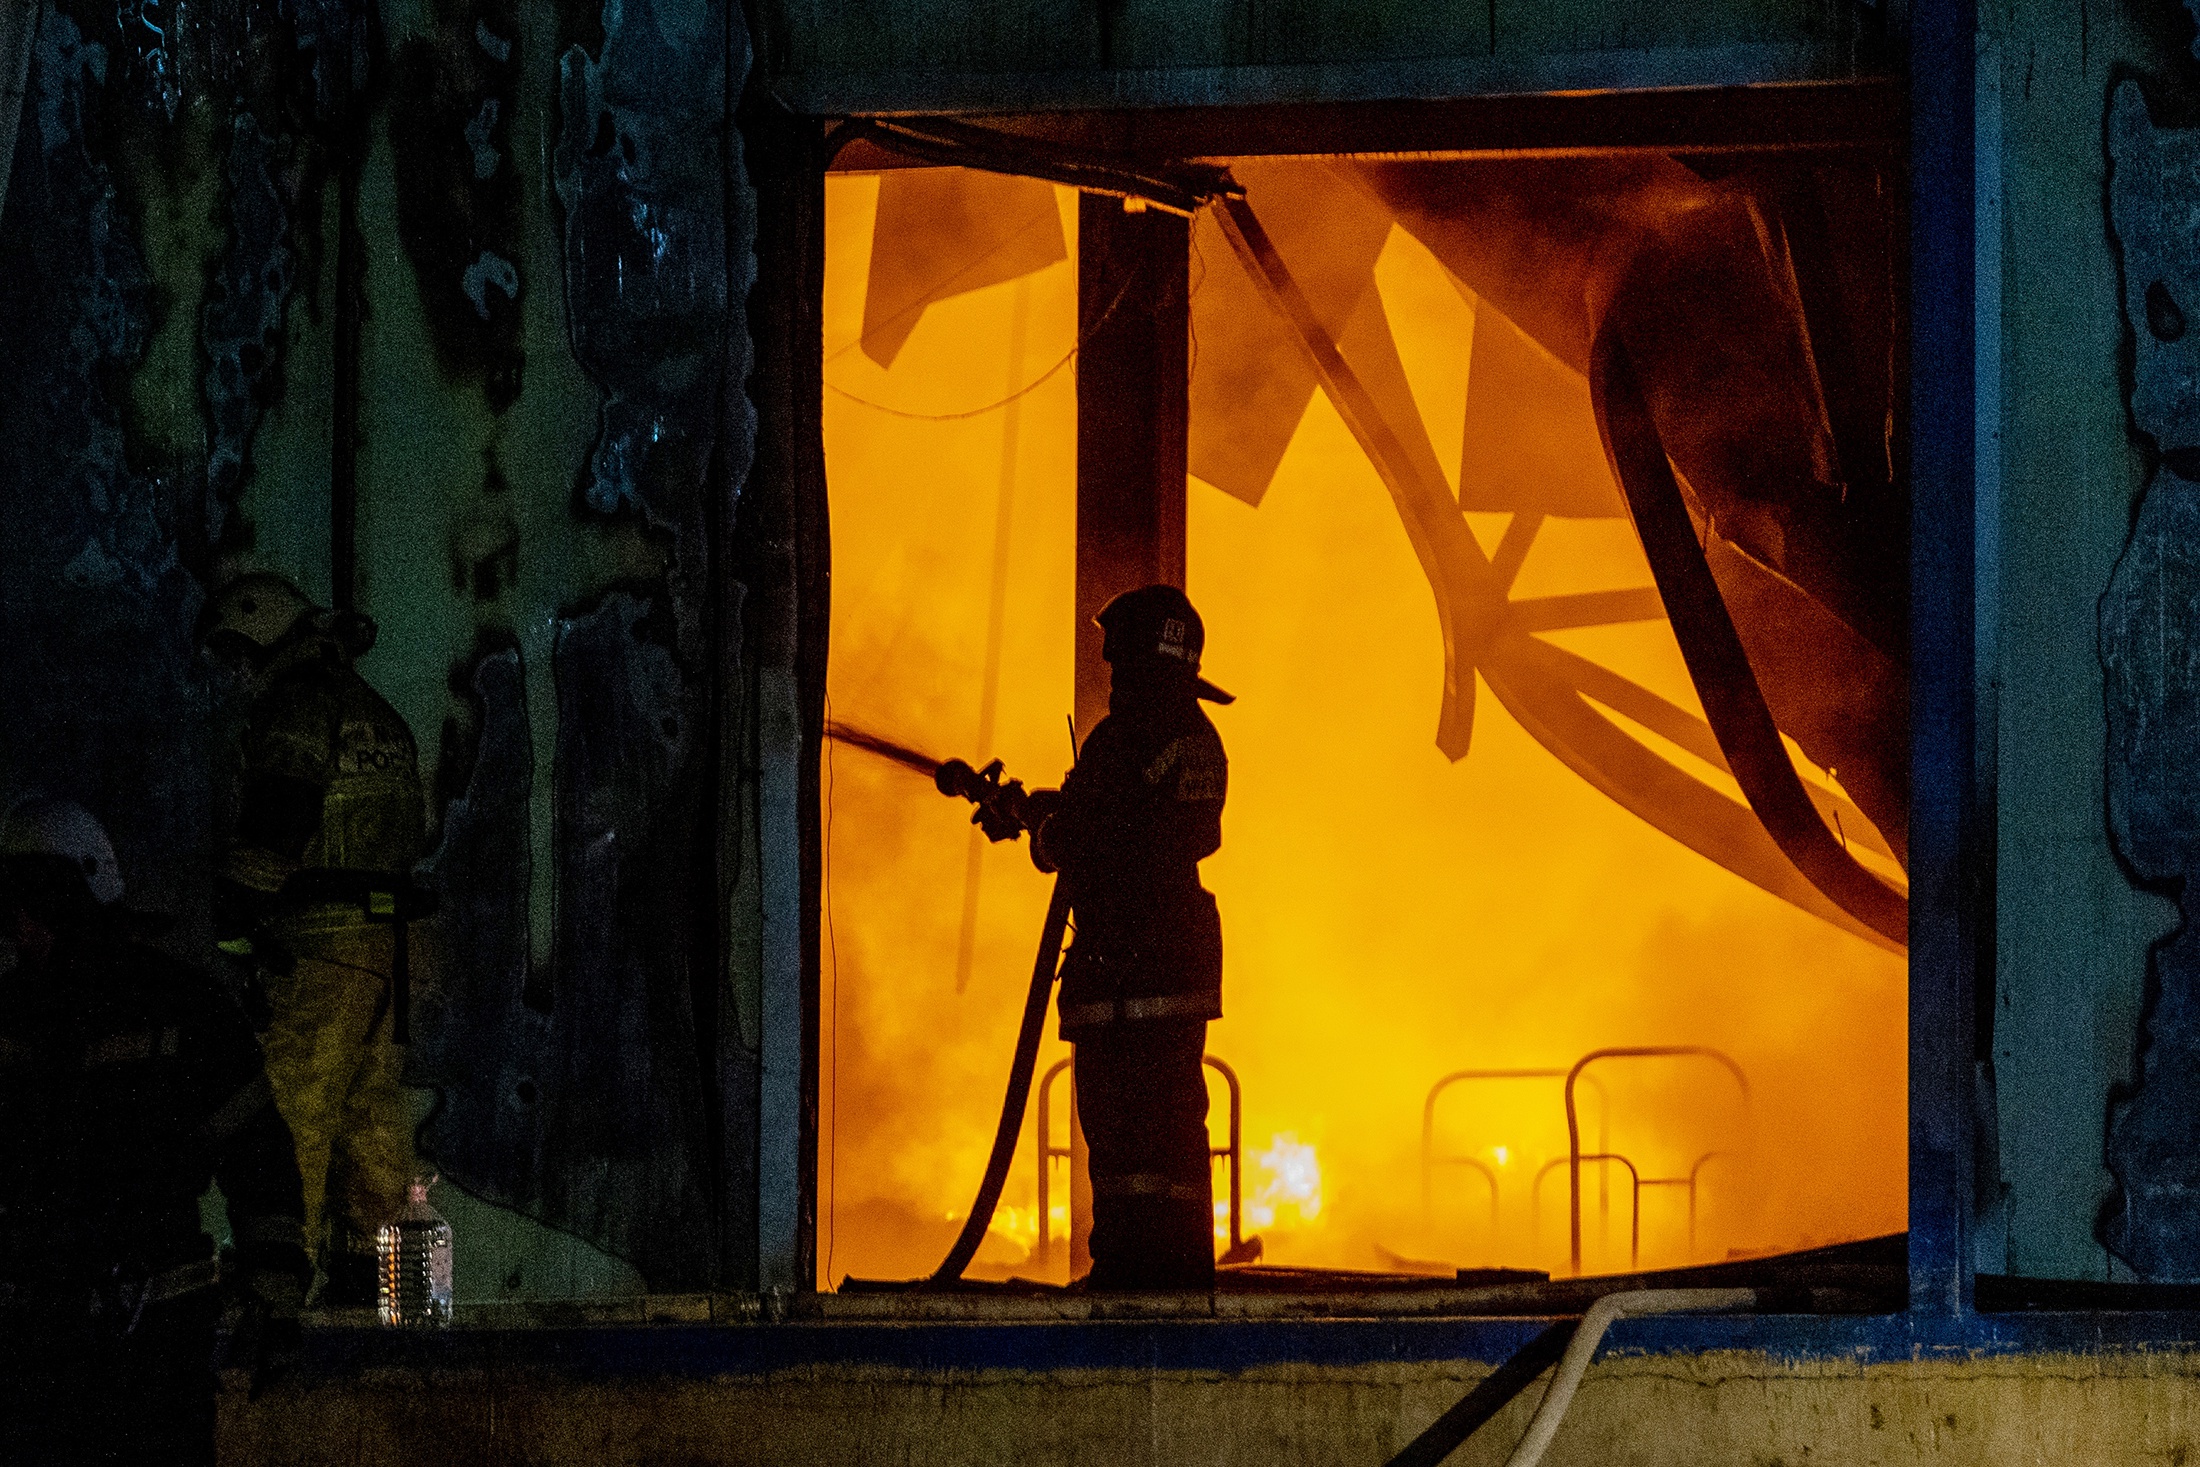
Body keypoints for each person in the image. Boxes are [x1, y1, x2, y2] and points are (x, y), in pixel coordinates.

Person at [0, 798, 310, 1465]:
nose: (19, 929)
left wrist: (275, 1292)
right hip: (38, 1357)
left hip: (152, 1357)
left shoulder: (184, 1010)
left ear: (72, 899)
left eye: (31, 905)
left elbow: (258, 1156)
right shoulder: (18, 1020)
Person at [198, 572, 426, 1303]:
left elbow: (276, 821)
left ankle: (278, 1293)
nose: (232, 673)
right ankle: (381, 1293)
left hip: (322, 946)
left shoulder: (295, 708)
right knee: (373, 1123)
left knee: (294, 1112)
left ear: (262, 637)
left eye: (235, 654)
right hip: (390, 948)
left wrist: (232, 920)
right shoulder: (375, 712)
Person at [1028, 584, 1232, 1292]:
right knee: (1175, 1126)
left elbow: (1088, 835)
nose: (1111, 678)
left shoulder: (1124, 737)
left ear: (1141, 661)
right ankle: (1181, 1266)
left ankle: (1126, 1271)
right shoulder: (1200, 737)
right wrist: (1058, 813)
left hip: (1123, 964)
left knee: (1120, 1132)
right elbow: (1155, 824)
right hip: (1179, 956)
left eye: (1118, 663)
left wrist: (1046, 831)